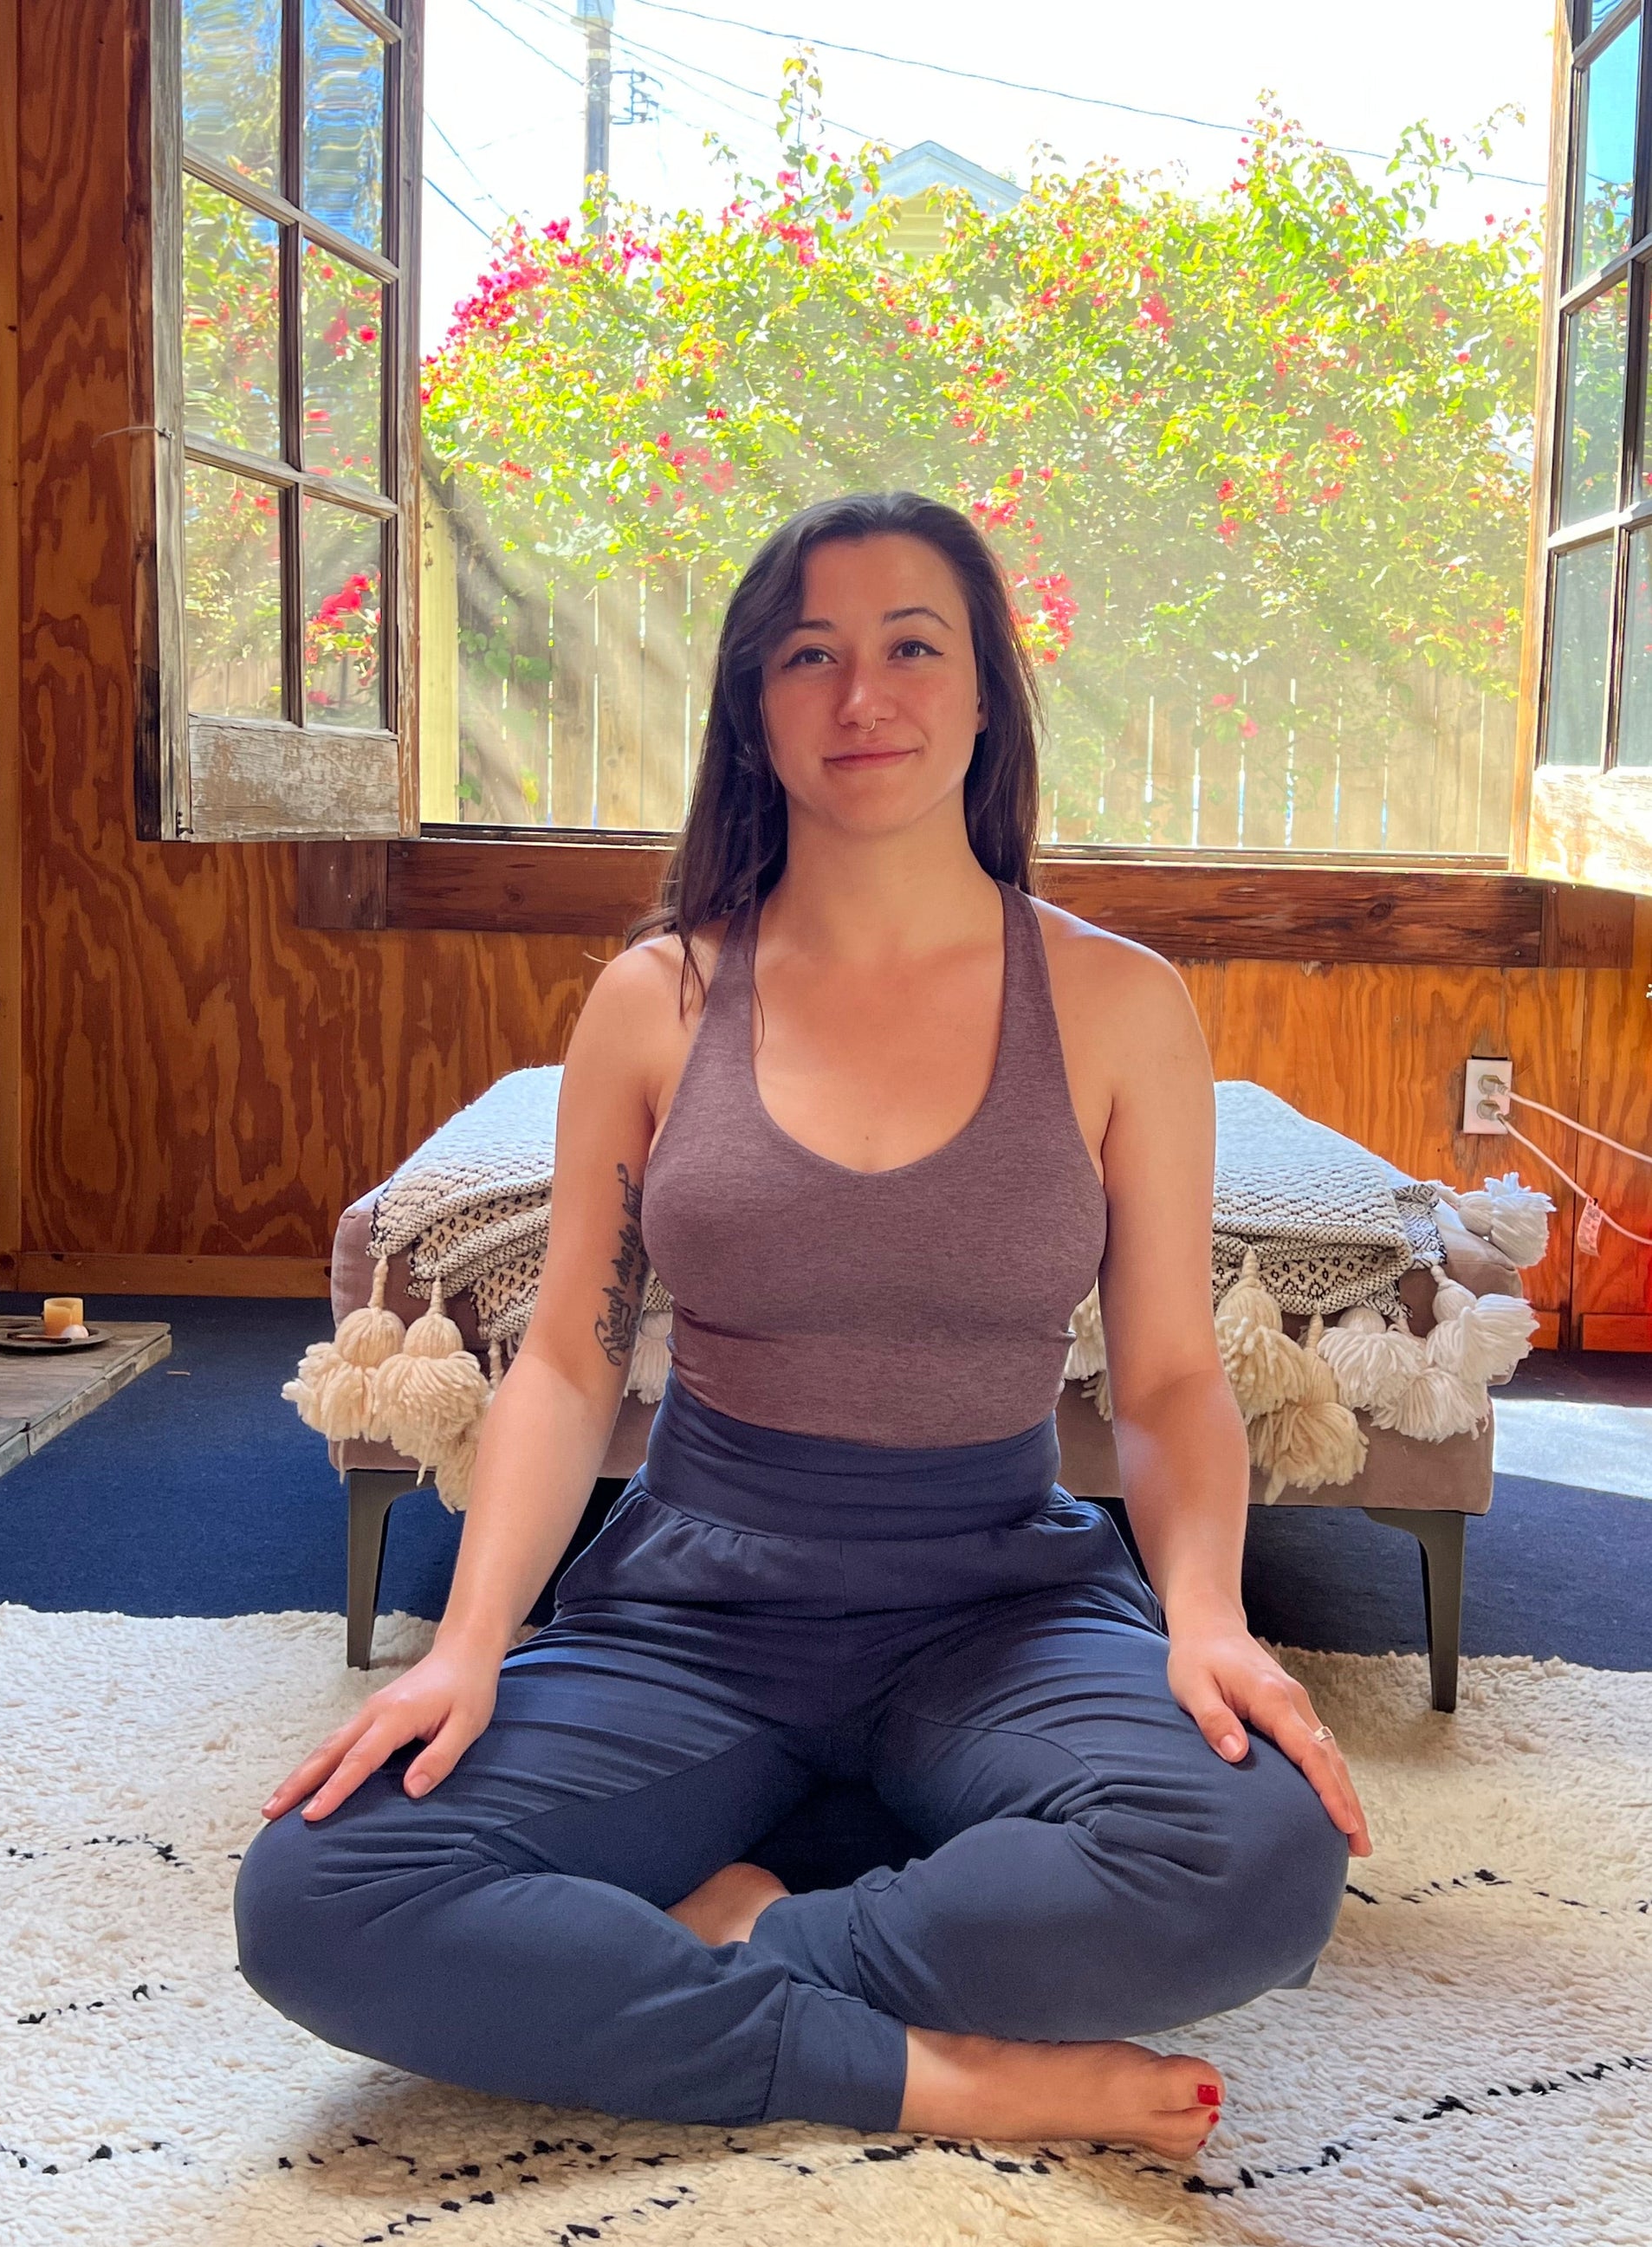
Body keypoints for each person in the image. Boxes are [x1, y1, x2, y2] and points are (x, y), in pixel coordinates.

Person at [236, 489, 1366, 2160]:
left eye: (914, 646)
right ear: (752, 714)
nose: (863, 696)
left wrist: (1204, 1612)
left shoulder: (1121, 1002)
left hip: (999, 1599)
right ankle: (930, 2068)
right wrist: (466, 1644)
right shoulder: (657, 996)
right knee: (317, 1888)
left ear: (984, 694)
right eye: (806, 656)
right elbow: (562, 1357)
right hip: (692, 1607)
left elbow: (1176, 1374)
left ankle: (760, 1929)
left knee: (1256, 1858)